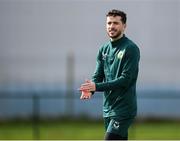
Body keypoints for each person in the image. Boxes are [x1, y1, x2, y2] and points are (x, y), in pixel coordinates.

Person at [79, 9, 140, 140]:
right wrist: (91, 90)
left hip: (124, 109)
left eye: (116, 23)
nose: (111, 26)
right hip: (108, 108)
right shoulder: (103, 49)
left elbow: (125, 80)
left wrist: (96, 86)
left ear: (124, 26)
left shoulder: (130, 48)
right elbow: (98, 75)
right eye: (109, 23)